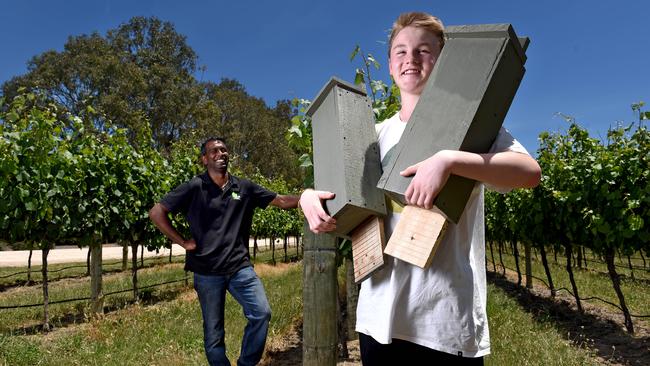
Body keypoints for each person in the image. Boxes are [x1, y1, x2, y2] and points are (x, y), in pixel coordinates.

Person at [299, 12, 541, 365]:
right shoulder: (373, 135)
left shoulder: (470, 123)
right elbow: (336, 196)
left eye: (424, 50)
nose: (411, 59)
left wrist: (449, 161)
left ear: (442, 60)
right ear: (390, 65)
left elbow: (528, 172)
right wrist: (309, 197)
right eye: (400, 51)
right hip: (378, 317)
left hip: (442, 321)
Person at [149, 137, 310, 366]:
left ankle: (246, 363)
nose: (220, 153)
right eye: (213, 151)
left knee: (261, 313)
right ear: (204, 159)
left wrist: (307, 198)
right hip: (206, 272)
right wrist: (183, 242)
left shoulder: (244, 187)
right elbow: (156, 212)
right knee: (214, 335)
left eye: (224, 150)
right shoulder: (195, 186)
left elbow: (282, 200)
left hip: (239, 268)